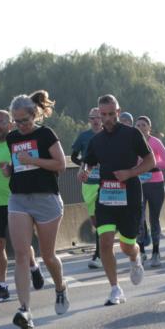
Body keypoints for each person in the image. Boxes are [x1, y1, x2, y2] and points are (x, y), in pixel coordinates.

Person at [0, 91, 70, 329]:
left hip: (46, 199)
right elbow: (18, 163)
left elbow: (60, 165)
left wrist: (33, 160)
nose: (21, 126)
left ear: (34, 115)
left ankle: (60, 288)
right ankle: (25, 310)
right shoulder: (12, 138)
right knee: (20, 254)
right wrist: (10, 168)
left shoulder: (45, 134)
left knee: (48, 255)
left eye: (25, 121)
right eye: (16, 121)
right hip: (19, 198)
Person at [79, 95, 155, 306]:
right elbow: (88, 163)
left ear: (118, 113)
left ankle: (135, 257)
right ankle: (115, 289)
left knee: (127, 245)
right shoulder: (96, 140)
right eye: (103, 115)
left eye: (111, 114)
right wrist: (84, 172)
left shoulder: (132, 134)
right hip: (106, 196)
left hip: (129, 196)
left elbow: (151, 161)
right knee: (104, 242)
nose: (107, 119)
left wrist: (131, 173)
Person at [0, 109, 47, 303]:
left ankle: (33, 267)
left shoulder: (17, 143)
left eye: (1, 122)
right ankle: (2, 286)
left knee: (22, 246)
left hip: (16, 199)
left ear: (10, 125)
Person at [135, 116, 165, 267]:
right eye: (138, 125)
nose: (141, 127)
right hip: (138, 184)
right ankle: (142, 252)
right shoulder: (132, 142)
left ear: (149, 128)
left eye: (144, 125)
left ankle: (156, 252)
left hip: (156, 184)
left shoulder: (155, 142)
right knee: (139, 218)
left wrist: (152, 163)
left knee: (154, 218)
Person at [70, 107, 103, 269]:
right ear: (89, 120)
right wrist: (84, 165)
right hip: (88, 183)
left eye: (98, 117)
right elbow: (73, 157)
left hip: (106, 183)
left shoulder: (109, 135)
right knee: (95, 221)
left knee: (102, 217)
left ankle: (98, 254)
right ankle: (103, 247)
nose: (96, 121)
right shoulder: (84, 136)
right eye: (93, 118)